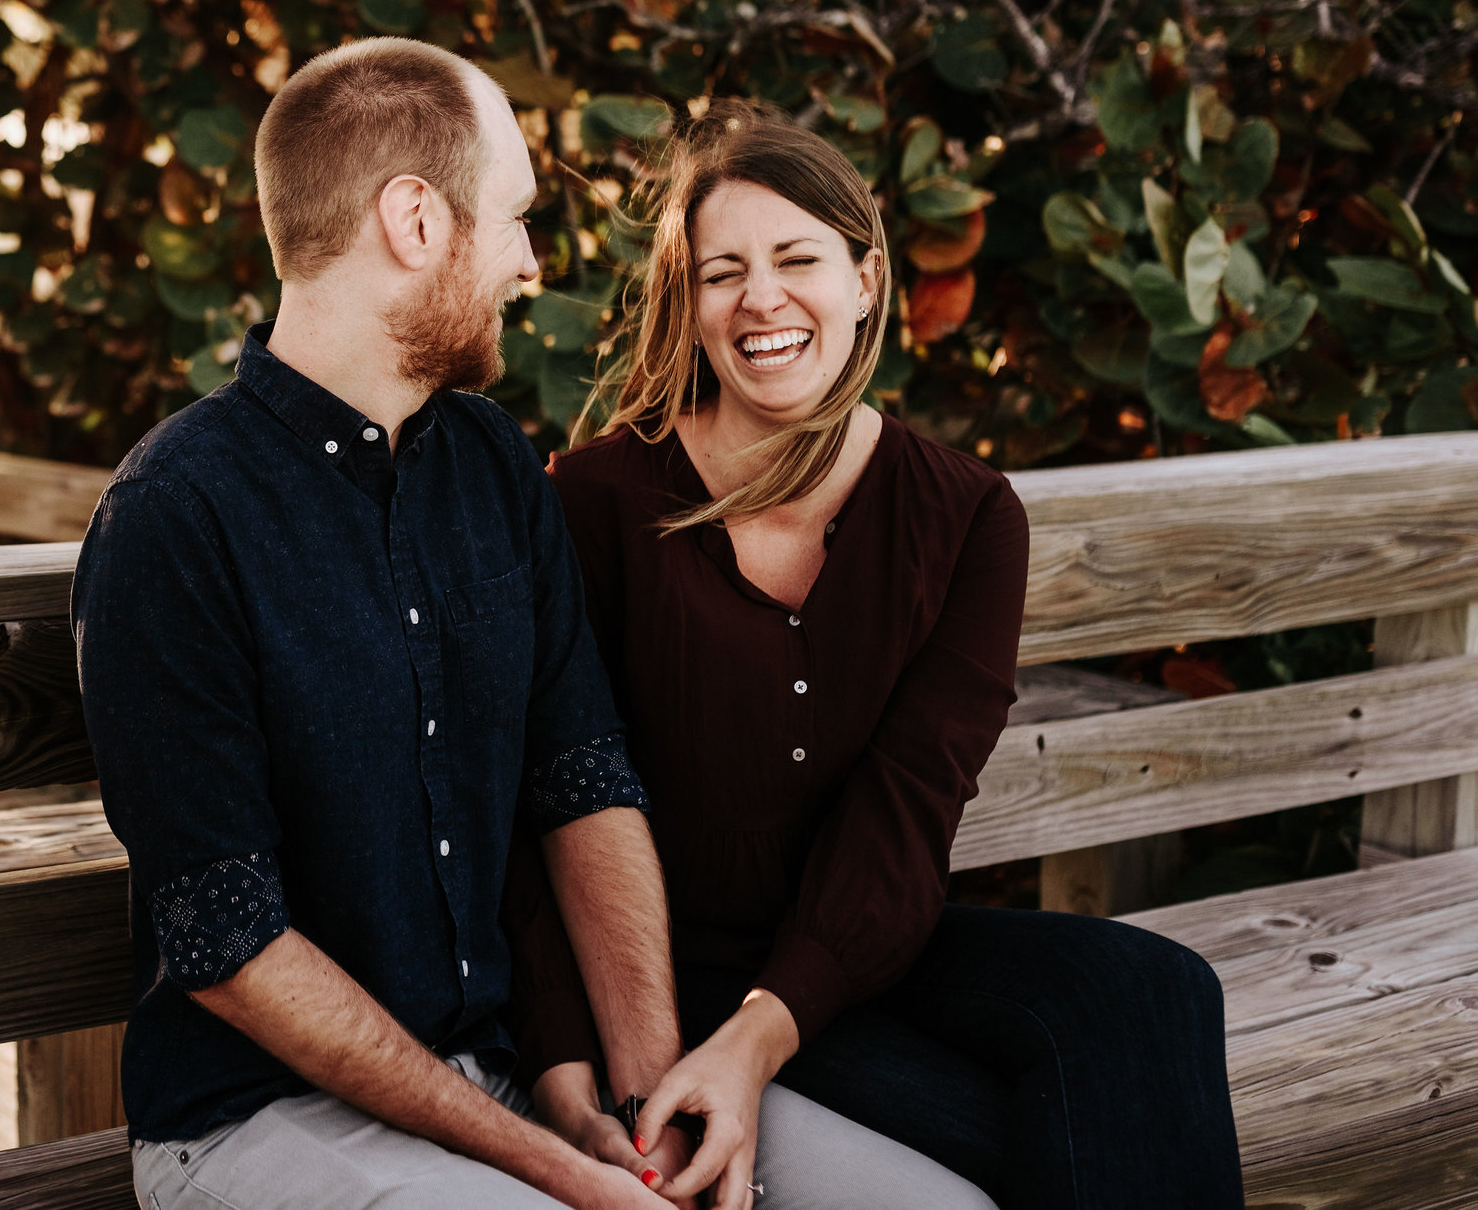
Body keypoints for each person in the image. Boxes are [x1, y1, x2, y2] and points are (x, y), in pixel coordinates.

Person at [74, 42, 965, 1210]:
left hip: (511, 1082)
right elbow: (229, 944)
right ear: (415, 221)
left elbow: (582, 782)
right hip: (260, 1121)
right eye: (512, 219)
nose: (531, 264)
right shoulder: (175, 518)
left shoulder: (491, 466)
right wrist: (548, 1166)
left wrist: (651, 1115)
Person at [507, 102, 1245, 1210]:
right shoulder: (600, 499)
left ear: (864, 278)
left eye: (797, 257)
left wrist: (761, 1039)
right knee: (1059, 1144)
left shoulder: (966, 515)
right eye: (722, 272)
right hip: (669, 977)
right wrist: (574, 1062)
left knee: (1154, 991)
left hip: (859, 950)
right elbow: (536, 798)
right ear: (688, 302)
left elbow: (909, 806)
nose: (761, 297)